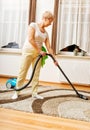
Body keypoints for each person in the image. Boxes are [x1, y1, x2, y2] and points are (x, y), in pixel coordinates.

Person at [12, 11, 57, 100]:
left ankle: (34, 93)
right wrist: (40, 50)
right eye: (50, 21)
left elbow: (49, 47)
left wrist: (54, 59)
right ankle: (17, 91)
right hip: (28, 51)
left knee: (36, 74)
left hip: (38, 54)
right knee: (23, 71)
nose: (50, 24)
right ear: (45, 19)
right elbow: (31, 39)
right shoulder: (33, 25)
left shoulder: (46, 33)